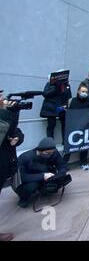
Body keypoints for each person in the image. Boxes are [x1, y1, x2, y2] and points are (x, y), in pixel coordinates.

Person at [16, 138, 71, 209]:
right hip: (28, 180)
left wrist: (59, 175)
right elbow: (21, 177)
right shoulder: (25, 158)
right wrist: (42, 176)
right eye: (47, 153)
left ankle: (46, 191)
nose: (50, 155)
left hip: (46, 174)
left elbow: (63, 165)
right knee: (32, 186)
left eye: (51, 152)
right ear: (39, 150)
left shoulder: (53, 153)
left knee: (60, 178)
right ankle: (24, 199)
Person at [0, 89, 24, 241]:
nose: (2, 98)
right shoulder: (4, 115)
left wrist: (18, 138)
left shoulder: (4, 114)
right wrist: (9, 113)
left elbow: (15, 131)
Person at [64, 84, 89, 171]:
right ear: (78, 91)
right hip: (73, 127)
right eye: (83, 91)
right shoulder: (71, 101)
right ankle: (64, 164)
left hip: (85, 127)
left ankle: (83, 162)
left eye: (86, 92)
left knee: (84, 146)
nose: (84, 93)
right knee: (69, 145)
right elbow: (66, 112)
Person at [40, 72, 72, 144]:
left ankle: (65, 141)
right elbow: (45, 94)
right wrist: (56, 87)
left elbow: (69, 96)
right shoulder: (49, 84)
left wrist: (66, 105)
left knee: (65, 124)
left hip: (62, 108)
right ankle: (50, 143)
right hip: (51, 108)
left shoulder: (67, 85)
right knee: (51, 125)